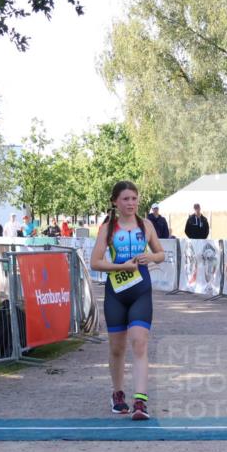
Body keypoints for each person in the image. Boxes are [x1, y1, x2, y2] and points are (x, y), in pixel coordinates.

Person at [90, 180, 166, 420]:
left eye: (134, 198)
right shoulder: (107, 229)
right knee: (117, 347)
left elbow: (161, 254)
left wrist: (150, 257)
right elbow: (95, 262)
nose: (131, 203)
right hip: (116, 293)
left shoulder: (147, 225)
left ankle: (140, 401)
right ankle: (117, 393)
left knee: (139, 342)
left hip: (141, 290)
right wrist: (119, 266)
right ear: (115, 202)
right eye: (125, 199)